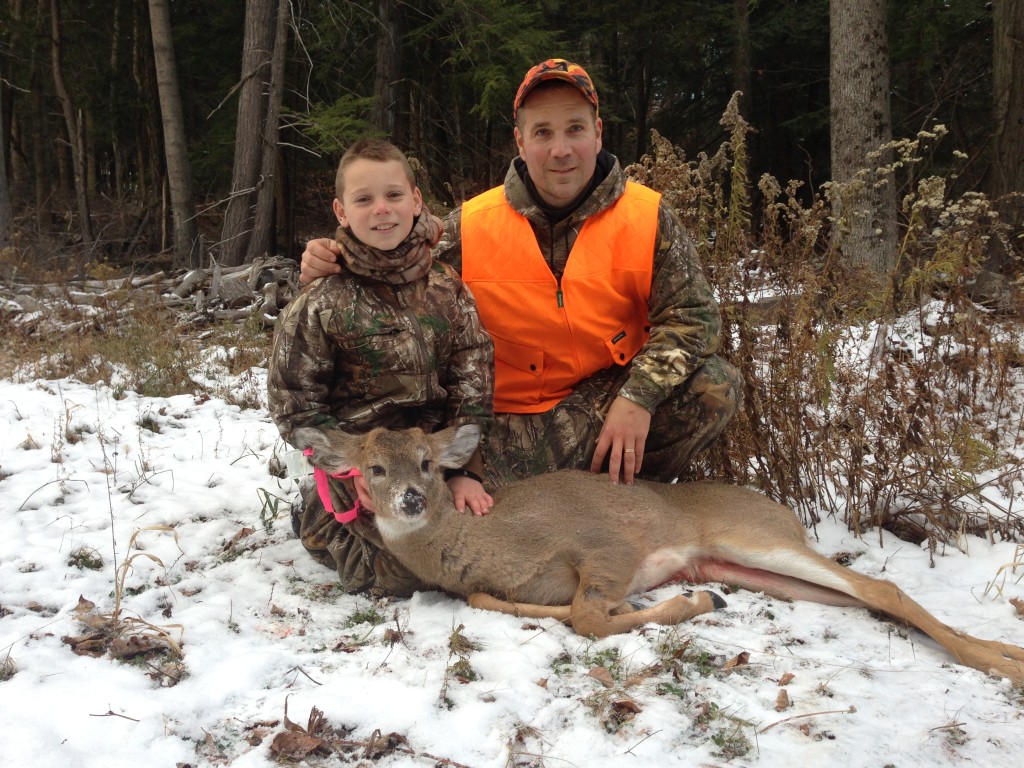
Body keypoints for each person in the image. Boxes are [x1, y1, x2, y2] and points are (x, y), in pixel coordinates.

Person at [300, 59, 741, 490]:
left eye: (575, 129)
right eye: (542, 133)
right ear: (520, 142)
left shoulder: (647, 216)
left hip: (609, 402)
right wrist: (333, 257)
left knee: (714, 387)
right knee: (401, 524)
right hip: (507, 424)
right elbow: (391, 255)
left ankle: (626, 501)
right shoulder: (470, 225)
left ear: (598, 132)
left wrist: (639, 396)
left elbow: (694, 318)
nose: (561, 150)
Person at [268, 138, 494, 597]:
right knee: (412, 573)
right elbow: (295, 406)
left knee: (482, 538)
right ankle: (320, 524)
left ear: (415, 201)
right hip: (364, 464)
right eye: (364, 199)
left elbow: (473, 374)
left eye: (393, 195)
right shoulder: (321, 300)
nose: (381, 210)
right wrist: (348, 470)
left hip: (430, 456)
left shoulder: (447, 288)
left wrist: (465, 467)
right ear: (341, 211)